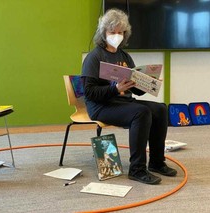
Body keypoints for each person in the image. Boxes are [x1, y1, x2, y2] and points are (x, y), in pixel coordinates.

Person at [81, 9, 177, 185]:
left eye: (120, 32)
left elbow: (135, 90)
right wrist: (115, 89)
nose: (116, 35)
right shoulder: (94, 57)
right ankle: (137, 169)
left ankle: (156, 162)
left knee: (160, 109)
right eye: (112, 32)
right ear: (103, 33)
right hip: (101, 106)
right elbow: (89, 92)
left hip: (123, 102)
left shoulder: (124, 56)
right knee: (141, 112)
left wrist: (148, 83)